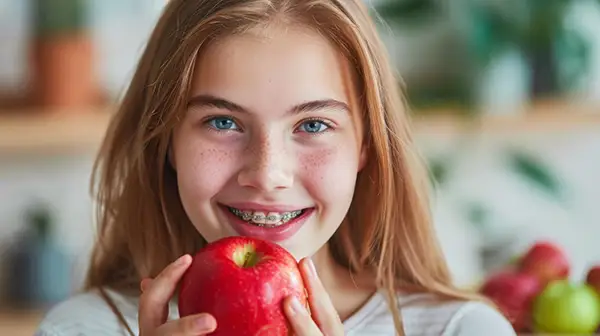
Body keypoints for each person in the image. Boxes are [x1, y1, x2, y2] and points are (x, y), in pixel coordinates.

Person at [35, 0, 516, 335]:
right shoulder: (82, 328)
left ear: (366, 145)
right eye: (222, 121)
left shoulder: (461, 330)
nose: (267, 175)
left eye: (312, 124)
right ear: (166, 142)